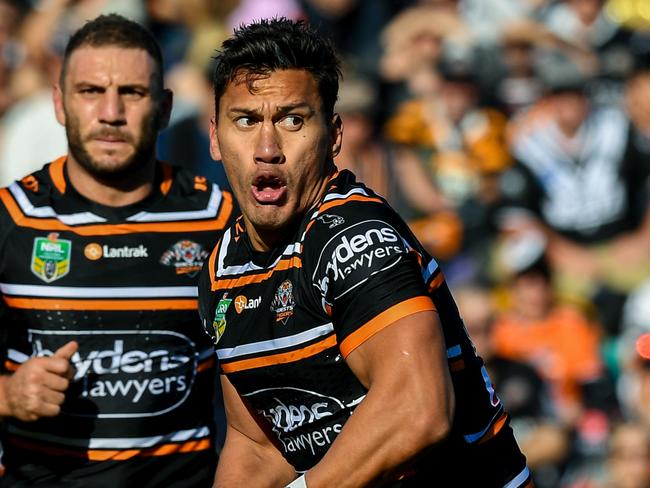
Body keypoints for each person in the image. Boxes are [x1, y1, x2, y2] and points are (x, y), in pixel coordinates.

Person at [198, 18, 530, 487]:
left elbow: (417, 410)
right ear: (214, 136)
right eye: (246, 120)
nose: (267, 148)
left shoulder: (355, 236)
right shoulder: (220, 273)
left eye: (293, 120)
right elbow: (259, 448)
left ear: (334, 136)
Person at [0, 14, 235, 487]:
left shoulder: (220, 219)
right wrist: (6, 395)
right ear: (60, 103)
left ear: (165, 107)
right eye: (90, 91)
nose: (111, 112)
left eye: (132, 92)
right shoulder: (10, 218)